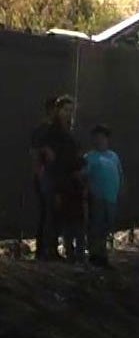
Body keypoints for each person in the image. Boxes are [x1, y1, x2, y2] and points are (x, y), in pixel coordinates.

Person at [43, 96, 86, 262]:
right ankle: (50, 252)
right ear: (58, 110)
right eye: (65, 110)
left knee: (71, 217)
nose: (68, 113)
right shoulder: (52, 132)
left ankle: (70, 252)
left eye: (71, 110)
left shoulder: (71, 132)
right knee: (54, 215)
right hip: (57, 179)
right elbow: (52, 159)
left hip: (71, 180)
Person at [84, 124, 123, 267]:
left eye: (103, 137)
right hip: (97, 198)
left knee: (106, 227)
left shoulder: (113, 156)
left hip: (111, 197)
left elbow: (119, 174)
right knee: (96, 227)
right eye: (97, 138)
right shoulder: (90, 157)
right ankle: (94, 255)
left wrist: (120, 189)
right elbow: (85, 177)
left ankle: (103, 254)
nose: (100, 140)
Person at [30, 96, 61, 261]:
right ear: (51, 109)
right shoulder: (43, 129)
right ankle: (42, 251)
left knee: (54, 213)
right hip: (45, 177)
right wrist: (40, 174)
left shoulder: (58, 130)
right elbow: (35, 153)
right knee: (46, 212)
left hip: (56, 176)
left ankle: (51, 249)